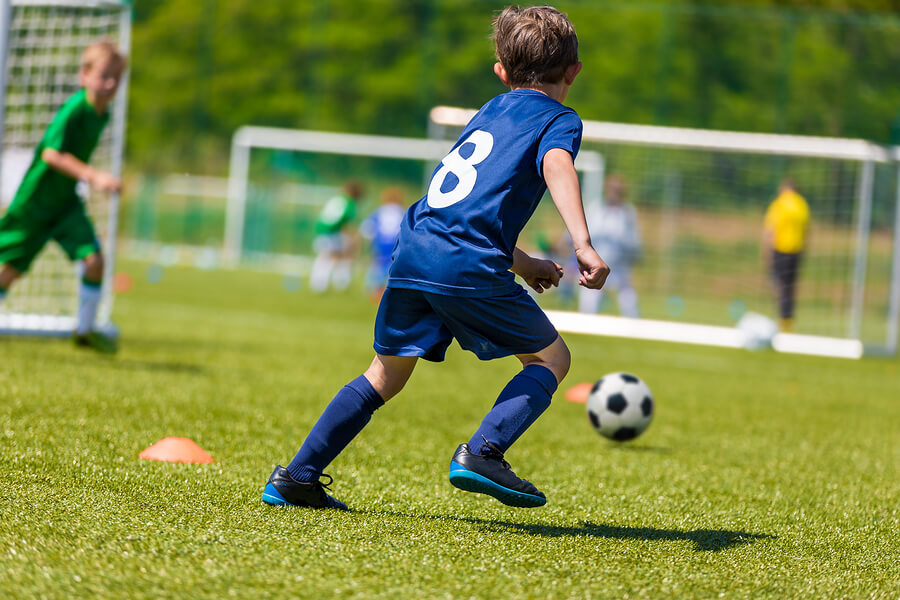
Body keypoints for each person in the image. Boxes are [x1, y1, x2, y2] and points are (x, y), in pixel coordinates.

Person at [262, 5, 608, 511]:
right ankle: (483, 452)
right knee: (552, 358)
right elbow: (557, 164)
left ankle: (296, 476)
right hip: (462, 261)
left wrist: (525, 262)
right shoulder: (560, 119)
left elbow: (462, 212)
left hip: (414, 250)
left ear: (502, 72)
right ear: (574, 71)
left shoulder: (489, 112)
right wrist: (581, 242)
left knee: (385, 373)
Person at [0, 40, 126, 353]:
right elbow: (51, 155)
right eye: (103, 75)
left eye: (116, 78)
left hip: (65, 204)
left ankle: (84, 333)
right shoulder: (74, 108)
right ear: (84, 75)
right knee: (7, 273)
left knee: (95, 261)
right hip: (35, 204)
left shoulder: (103, 115)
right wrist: (94, 175)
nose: (110, 84)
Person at [578, 174, 641, 317]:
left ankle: (633, 330)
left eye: (618, 190)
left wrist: (630, 260)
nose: (615, 193)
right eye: (612, 189)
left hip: (620, 269)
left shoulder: (628, 213)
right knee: (588, 306)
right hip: (596, 266)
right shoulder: (595, 209)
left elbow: (634, 242)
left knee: (629, 303)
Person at [763, 178, 810, 332]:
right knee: (791, 286)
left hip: (780, 249)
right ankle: (788, 320)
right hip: (796, 251)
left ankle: (782, 317)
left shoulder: (779, 204)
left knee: (778, 284)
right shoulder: (802, 204)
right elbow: (807, 231)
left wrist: (767, 253)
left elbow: (770, 229)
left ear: (785, 188)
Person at [309, 180, 364, 293]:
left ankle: (321, 284)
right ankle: (332, 283)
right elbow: (346, 223)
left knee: (327, 256)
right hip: (332, 232)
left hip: (321, 230)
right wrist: (352, 239)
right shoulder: (349, 203)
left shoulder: (336, 198)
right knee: (338, 256)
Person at [359, 186, 406, 299]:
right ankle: (389, 290)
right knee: (392, 267)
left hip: (381, 243)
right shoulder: (402, 211)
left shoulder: (380, 211)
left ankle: (373, 290)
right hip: (396, 243)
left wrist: (370, 242)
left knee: (378, 266)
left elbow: (367, 228)